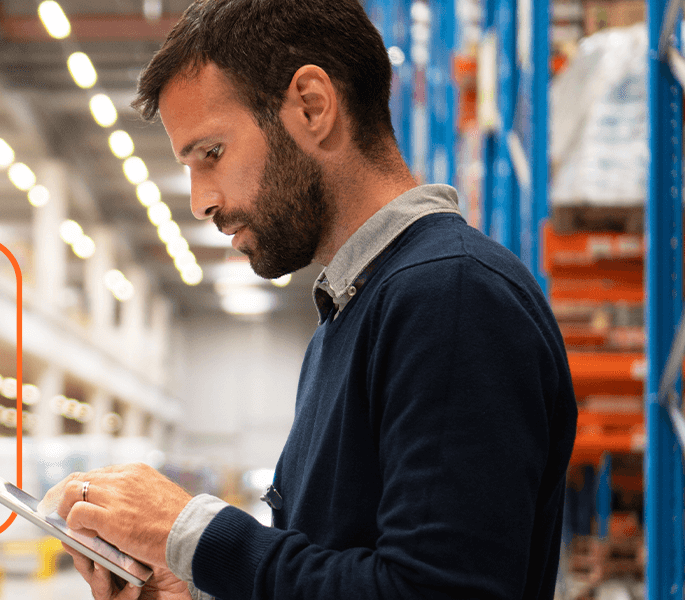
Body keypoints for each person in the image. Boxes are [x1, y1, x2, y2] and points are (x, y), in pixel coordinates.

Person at [44, 0, 578, 598]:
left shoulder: (450, 296)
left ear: (312, 106)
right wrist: (198, 584)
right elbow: (342, 565)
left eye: (211, 154)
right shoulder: (350, 317)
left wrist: (194, 532)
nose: (200, 202)